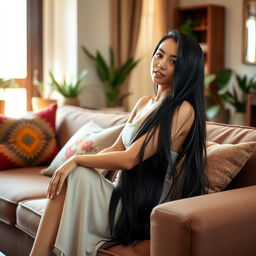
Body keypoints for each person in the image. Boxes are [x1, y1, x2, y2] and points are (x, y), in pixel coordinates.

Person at [30, 29, 208, 256]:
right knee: (74, 178)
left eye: (172, 61)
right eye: (159, 55)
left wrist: (75, 160)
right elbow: (116, 149)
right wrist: (84, 176)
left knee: (76, 172)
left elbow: (130, 158)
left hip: (140, 208)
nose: (161, 64)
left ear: (186, 69)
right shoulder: (144, 103)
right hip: (120, 194)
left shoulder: (183, 109)